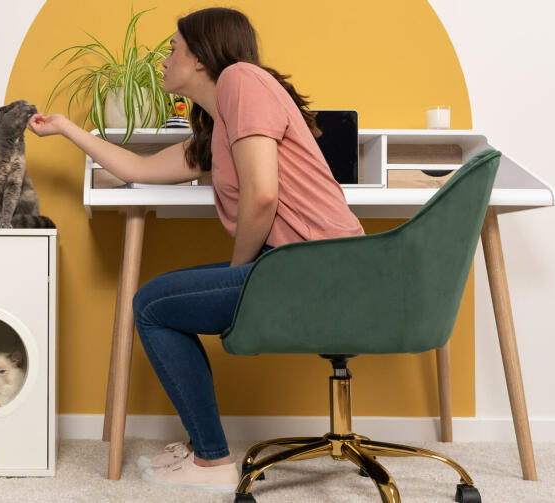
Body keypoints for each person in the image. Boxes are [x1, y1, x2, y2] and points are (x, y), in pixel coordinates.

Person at [27, 7, 365, 493]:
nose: (164, 58)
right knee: (159, 303)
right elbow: (136, 169)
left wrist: (239, 272)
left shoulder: (241, 80)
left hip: (314, 268)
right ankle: (207, 453)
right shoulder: (219, 124)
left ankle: (211, 462)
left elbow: (262, 194)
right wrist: (66, 129)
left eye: (173, 47)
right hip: (302, 267)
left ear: (203, 57)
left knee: (151, 305)